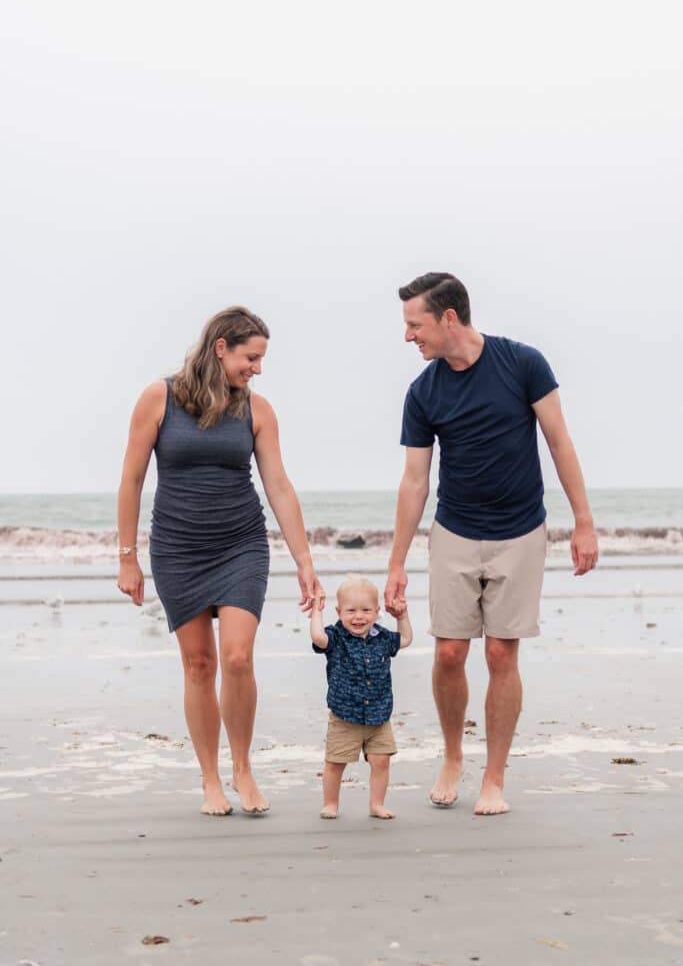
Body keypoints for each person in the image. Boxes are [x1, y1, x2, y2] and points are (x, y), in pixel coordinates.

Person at [384, 273, 598, 816]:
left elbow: (558, 441)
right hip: (454, 531)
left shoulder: (523, 364)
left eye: (415, 324)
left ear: (448, 317)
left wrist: (584, 522)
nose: (409, 336)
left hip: (521, 531)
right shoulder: (423, 391)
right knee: (450, 652)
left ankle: (494, 777)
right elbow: (415, 481)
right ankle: (453, 756)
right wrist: (396, 564)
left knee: (502, 651)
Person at [117, 306, 324, 817]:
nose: (256, 368)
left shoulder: (257, 410)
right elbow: (132, 479)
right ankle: (210, 780)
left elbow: (278, 484)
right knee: (198, 664)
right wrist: (127, 556)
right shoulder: (158, 398)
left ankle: (242, 768)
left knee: (236, 657)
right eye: (250, 358)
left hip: (240, 543)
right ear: (220, 348)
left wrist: (304, 560)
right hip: (178, 548)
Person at [310, 576, 413, 820]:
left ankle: (377, 804)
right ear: (339, 611)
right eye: (351, 611)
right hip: (345, 716)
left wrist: (402, 616)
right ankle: (331, 803)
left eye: (366, 610)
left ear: (377, 611)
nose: (359, 617)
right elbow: (317, 638)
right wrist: (316, 611)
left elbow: (406, 639)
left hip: (379, 716)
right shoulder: (335, 637)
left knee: (381, 762)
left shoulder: (383, 637)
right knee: (335, 763)